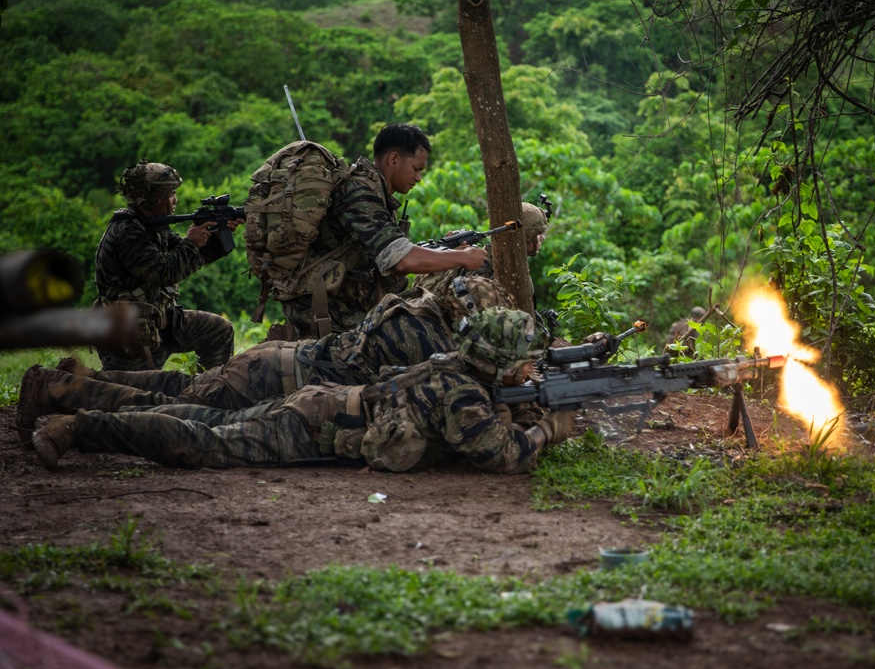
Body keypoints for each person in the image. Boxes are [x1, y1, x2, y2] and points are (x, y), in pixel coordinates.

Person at [32, 308, 576, 474]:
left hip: (319, 402)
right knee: (199, 440)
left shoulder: (452, 364)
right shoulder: (463, 393)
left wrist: (525, 403)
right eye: (523, 362)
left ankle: (66, 397)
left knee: (194, 410)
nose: (529, 370)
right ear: (498, 362)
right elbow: (500, 455)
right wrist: (548, 427)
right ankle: (77, 426)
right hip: (317, 424)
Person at [14, 276, 516, 441]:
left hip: (277, 360)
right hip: (275, 377)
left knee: (178, 389)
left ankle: (76, 380)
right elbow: (447, 384)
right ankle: (63, 395)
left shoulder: (410, 308)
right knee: (182, 405)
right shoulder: (422, 337)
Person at [281, 123, 488, 338]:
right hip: (330, 313)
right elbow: (401, 261)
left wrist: (446, 251)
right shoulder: (359, 193)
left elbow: (393, 263)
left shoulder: (377, 193)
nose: (418, 178)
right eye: (416, 168)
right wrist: (462, 258)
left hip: (349, 306)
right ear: (394, 160)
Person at [95, 160, 237, 371]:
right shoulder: (127, 232)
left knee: (220, 331)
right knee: (140, 397)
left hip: (162, 323)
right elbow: (164, 272)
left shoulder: (156, 227)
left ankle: (210, 389)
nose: (175, 200)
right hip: (130, 336)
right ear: (152, 199)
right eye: (169, 195)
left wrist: (215, 237)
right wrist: (191, 241)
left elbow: (189, 258)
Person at [412, 201, 548, 296]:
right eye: (538, 234)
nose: (542, 238)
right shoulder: (488, 271)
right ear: (524, 238)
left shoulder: (478, 258)